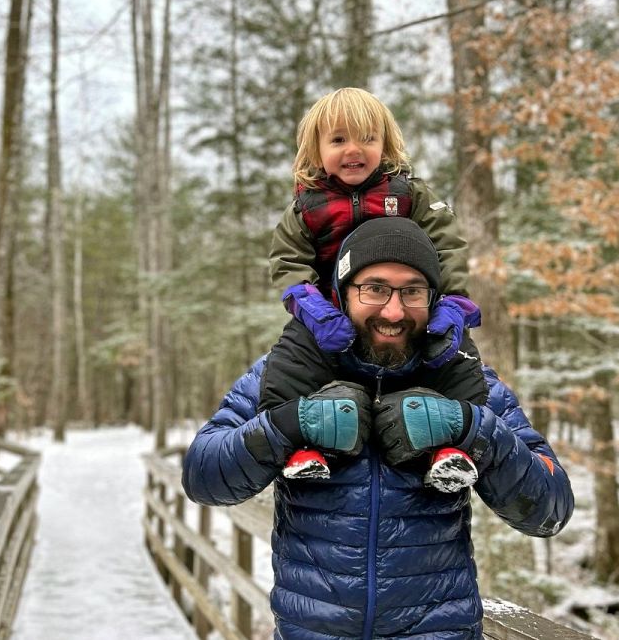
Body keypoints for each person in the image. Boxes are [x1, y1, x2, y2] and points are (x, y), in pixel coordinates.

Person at [182, 217, 574, 640]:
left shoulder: (466, 380)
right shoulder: (287, 374)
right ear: (343, 293)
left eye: (412, 291)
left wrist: (472, 428)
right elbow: (203, 476)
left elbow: (550, 511)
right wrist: (287, 425)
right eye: (375, 288)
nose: (394, 310)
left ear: (434, 298)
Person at [269, 87, 480, 482]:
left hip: (406, 314)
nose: (355, 149)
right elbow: (288, 262)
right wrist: (311, 308)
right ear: (316, 150)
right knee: (291, 363)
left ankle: (452, 449)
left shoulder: (409, 194)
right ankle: (303, 448)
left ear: (385, 144)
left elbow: (448, 247)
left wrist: (452, 304)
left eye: (368, 138)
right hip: (332, 319)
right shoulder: (306, 209)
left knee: (456, 364)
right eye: (338, 139)